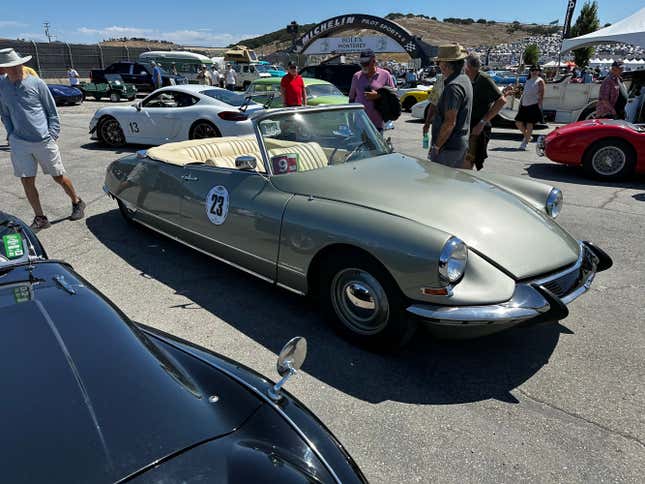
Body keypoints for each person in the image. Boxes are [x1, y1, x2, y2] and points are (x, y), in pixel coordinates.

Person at [0, 49, 85, 230]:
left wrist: (52, 134)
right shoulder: (2, 86)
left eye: (17, 65)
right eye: (10, 67)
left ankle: (77, 202)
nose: (15, 70)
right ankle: (40, 217)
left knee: (58, 177)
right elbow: (4, 113)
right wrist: (11, 134)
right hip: (19, 143)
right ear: (3, 70)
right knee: (26, 180)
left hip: (43, 140)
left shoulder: (36, 83)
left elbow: (51, 111)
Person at [428, 44, 473, 168]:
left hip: (449, 147)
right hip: (458, 145)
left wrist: (436, 146)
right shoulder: (465, 80)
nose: (438, 65)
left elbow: (449, 123)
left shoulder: (453, 87)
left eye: (439, 62)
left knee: (440, 182)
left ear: (446, 65)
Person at [464, 53, 507, 170]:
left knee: (468, 161)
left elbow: (501, 100)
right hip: (465, 125)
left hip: (477, 127)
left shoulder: (484, 79)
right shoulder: (465, 79)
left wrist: (482, 122)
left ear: (469, 67)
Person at [348, 49, 395, 131]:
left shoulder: (385, 74)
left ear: (374, 61)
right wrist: (350, 119)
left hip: (378, 123)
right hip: (360, 123)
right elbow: (351, 99)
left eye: (366, 63)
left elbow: (393, 94)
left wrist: (378, 95)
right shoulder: (356, 76)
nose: (364, 66)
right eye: (362, 64)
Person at [514, 65, 544, 150]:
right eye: (533, 70)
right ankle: (528, 136)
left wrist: (540, 106)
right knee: (518, 122)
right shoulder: (528, 80)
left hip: (533, 105)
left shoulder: (540, 81)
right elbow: (524, 93)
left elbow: (541, 95)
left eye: (536, 70)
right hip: (524, 104)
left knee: (529, 124)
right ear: (530, 71)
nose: (534, 71)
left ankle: (525, 143)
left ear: (539, 71)